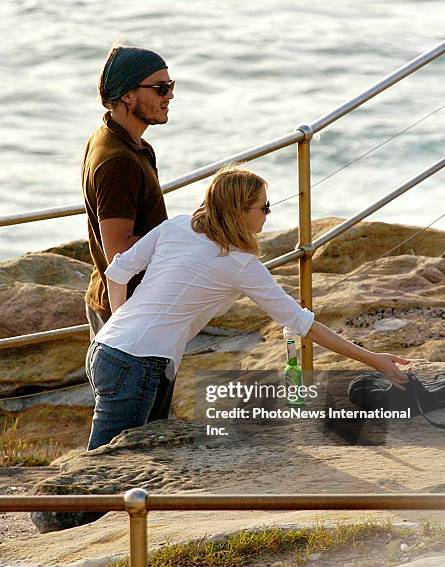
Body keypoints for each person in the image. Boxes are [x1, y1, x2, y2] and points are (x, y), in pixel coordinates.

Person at [85, 165, 410, 450]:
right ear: (239, 211)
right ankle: (61, 517)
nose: (268, 214)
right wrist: (374, 360)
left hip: (109, 349)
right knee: (103, 470)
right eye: (264, 207)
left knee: (137, 458)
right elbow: (302, 324)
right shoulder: (238, 263)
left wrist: (122, 323)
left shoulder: (176, 226)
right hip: (137, 363)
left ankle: (121, 520)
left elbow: (117, 271)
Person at [82, 44, 175, 336]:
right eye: (160, 88)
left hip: (126, 304)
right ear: (127, 95)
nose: (170, 95)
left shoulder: (118, 140)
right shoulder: (118, 161)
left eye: (171, 86)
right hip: (129, 315)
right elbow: (119, 252)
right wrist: (182, 235)